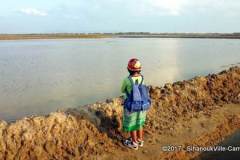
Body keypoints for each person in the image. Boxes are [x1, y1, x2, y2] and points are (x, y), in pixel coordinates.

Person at [121, 58, 150, 150]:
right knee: (139, 123)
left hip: (131, 106)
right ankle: (140, 140)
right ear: (140, 69)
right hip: (142, 105)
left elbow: (122, 90)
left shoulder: (127, 80)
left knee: (132, 125)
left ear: (128, 69)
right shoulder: (142, 78)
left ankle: (134, 143)